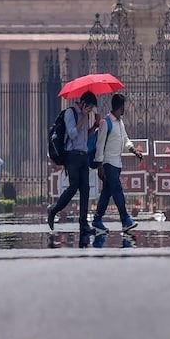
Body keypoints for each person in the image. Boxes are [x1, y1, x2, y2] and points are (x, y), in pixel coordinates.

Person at [47, 91, 99, 235]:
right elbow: (72, 134)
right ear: (83, 103)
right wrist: (83, 116)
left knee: (85, 190)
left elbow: (84, 138)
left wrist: (94, 126)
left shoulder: (85, 116)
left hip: (83, 155)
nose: (91, 110)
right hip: (71, 156)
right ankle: (54, 210)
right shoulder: (70, 113)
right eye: (90, 107)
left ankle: (83, 224)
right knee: (74, 186)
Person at [91, 93, 143, 235]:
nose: (124, 109)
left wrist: (133, 150)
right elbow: (100, 145)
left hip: (117, 163)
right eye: (123, 106)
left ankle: (97, 220)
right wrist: (100, 165)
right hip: (108, 163)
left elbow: (125, 139)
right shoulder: (105, 123)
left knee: (107, 192)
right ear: (120, 107)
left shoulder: (119, 123)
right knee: (117, 190)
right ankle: (125, 219)